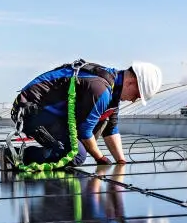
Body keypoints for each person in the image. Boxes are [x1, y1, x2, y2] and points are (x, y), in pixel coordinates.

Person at [10, 60, 162, 167]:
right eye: (137, 95)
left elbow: (111, 129)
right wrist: (100, 157)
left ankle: (55, 151)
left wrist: (121, 161)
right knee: (76, 155)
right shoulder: (100, 89)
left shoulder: (113, 91)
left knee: (103, 121)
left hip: (52, 115)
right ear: (131, 82)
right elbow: (84, 131)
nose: (134, 100)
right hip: (31, 111)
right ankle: (15, 155)